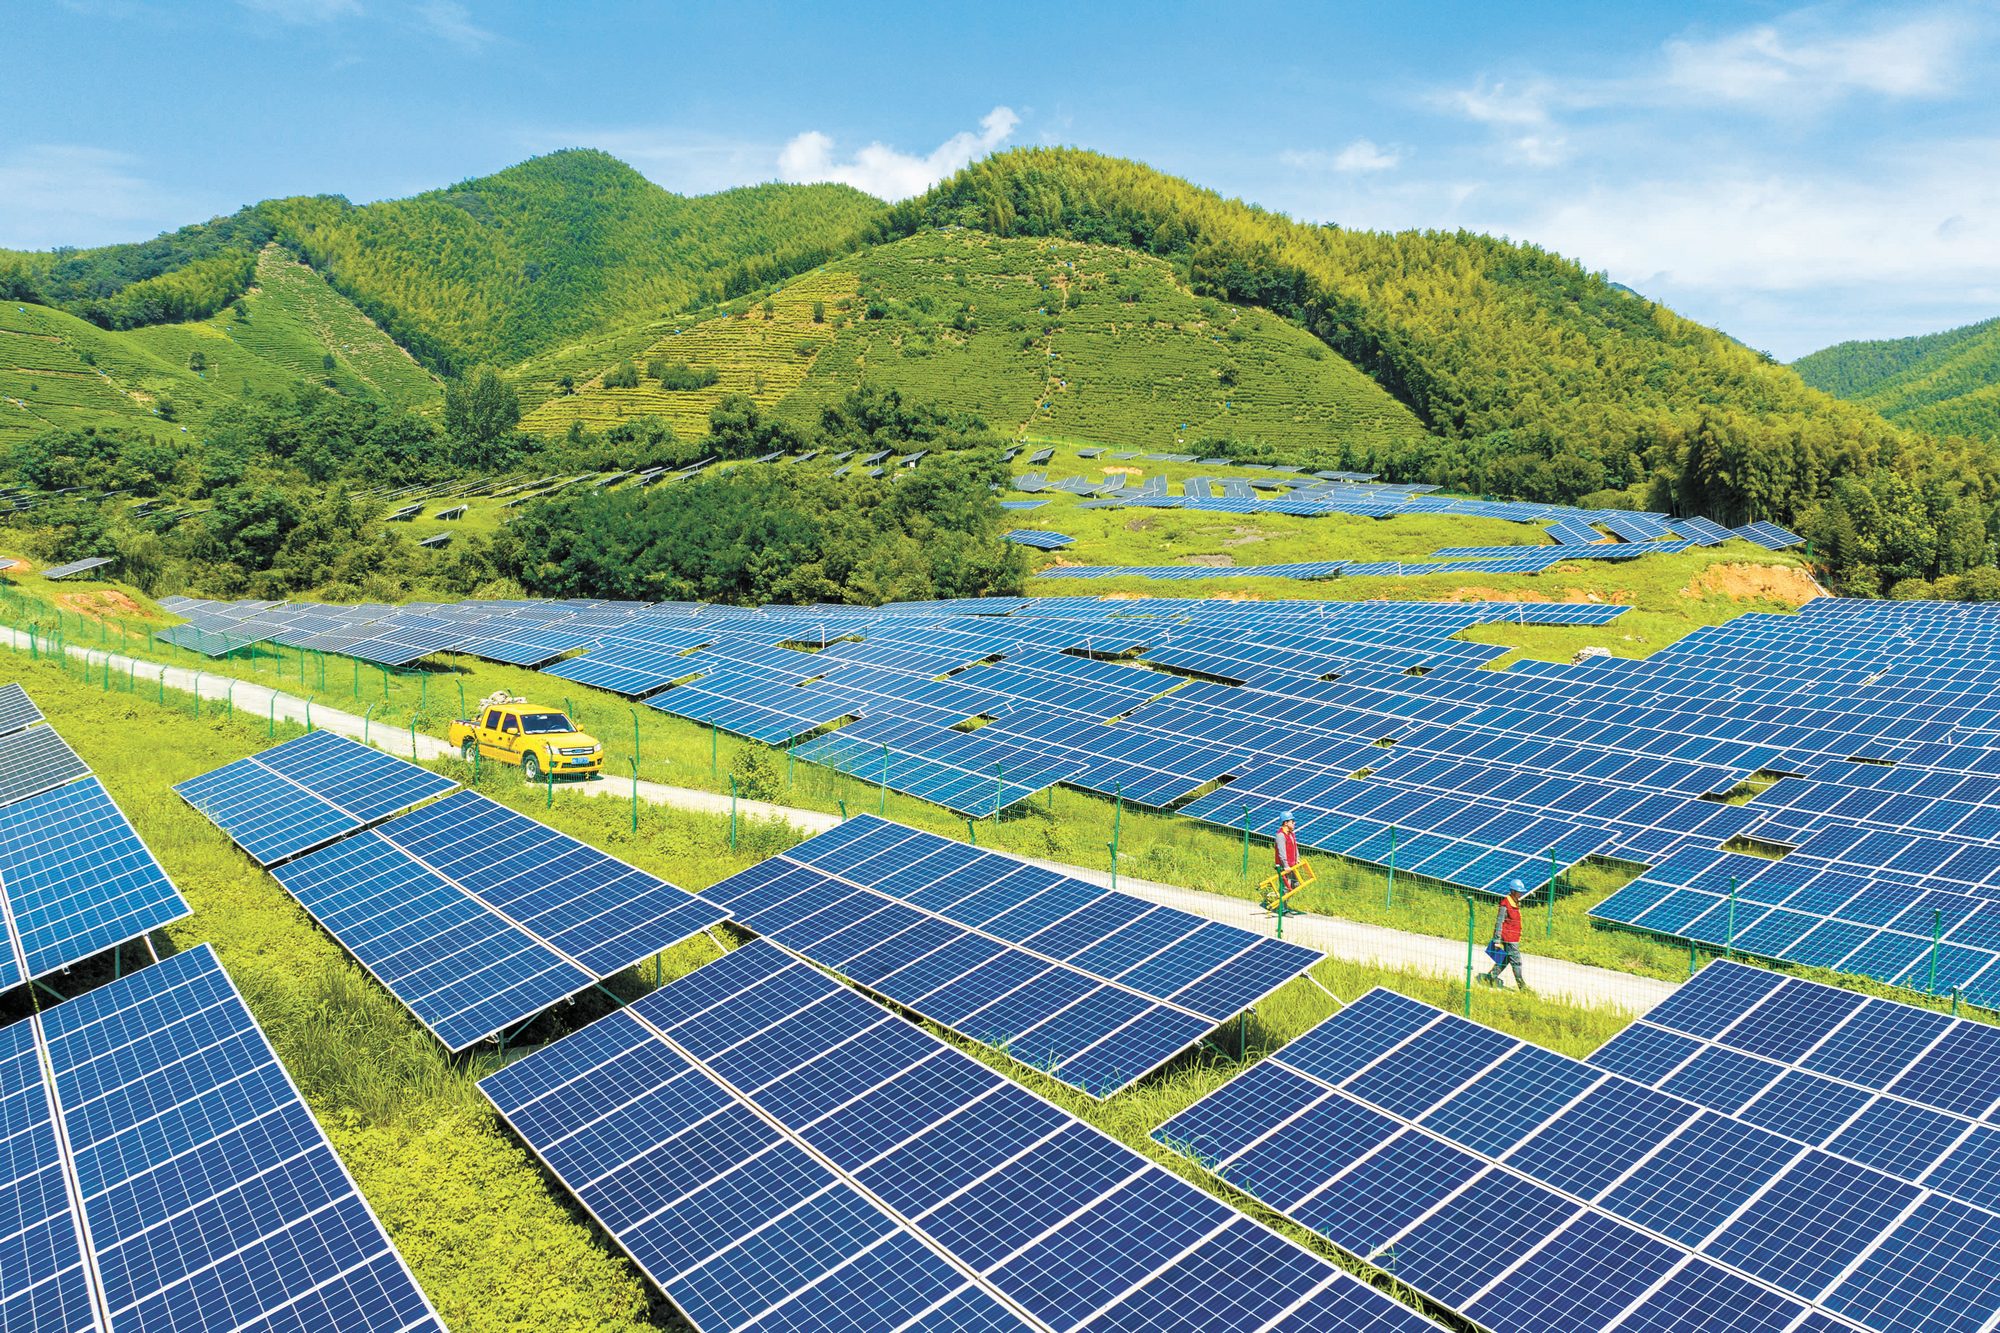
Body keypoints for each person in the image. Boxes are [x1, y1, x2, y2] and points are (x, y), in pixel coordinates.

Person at [1482, 879, 1528, 990]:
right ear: (1513, 891)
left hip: (1514, 937)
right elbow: (1499, 922)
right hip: (1509, 938)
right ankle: (1522, 987)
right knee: (1516, 962)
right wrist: (1497, 940)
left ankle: (1490, 977)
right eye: (1519, 892)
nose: (1521, 894)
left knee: (1505, 958)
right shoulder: (1505, 904)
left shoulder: (1514, 903)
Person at [1273, 812, 1302, 901]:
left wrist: (1297, 858)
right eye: (1292, 821)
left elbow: (1295, 847)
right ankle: (1281, 906)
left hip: (1292, 865)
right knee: (1286, 887)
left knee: (1296, 884)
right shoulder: (1281, 835)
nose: (1294, 823)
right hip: (1284, 866)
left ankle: (1280, 900)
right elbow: (1282, 852)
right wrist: (1285, 866)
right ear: (1285, 823)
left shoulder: (1291, 834)